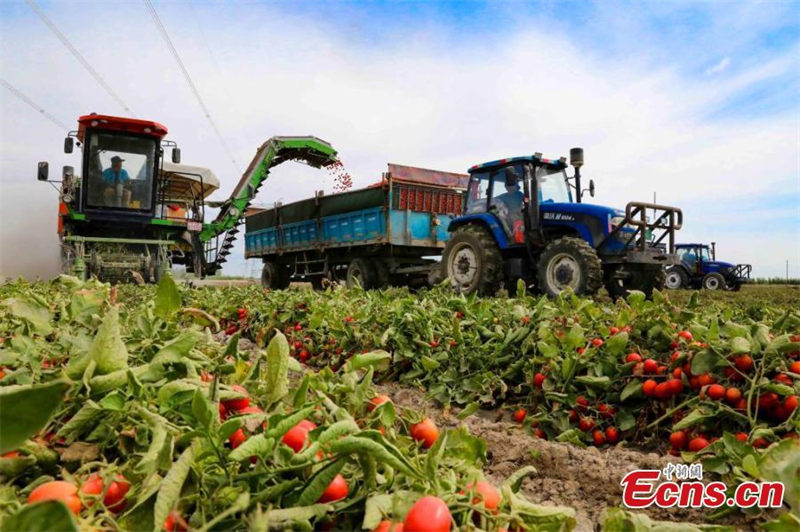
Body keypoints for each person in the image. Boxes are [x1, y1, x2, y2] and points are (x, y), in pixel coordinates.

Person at [493, 167, 526, 237]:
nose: (509, 188)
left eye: (511, 186)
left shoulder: (520, 194)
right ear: (506, 187)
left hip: (519, 215)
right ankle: (510, 236)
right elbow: (494, 201)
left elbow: (528, 202)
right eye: (508, 186)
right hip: (510, 217)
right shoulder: (502, 197)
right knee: (501, 216)